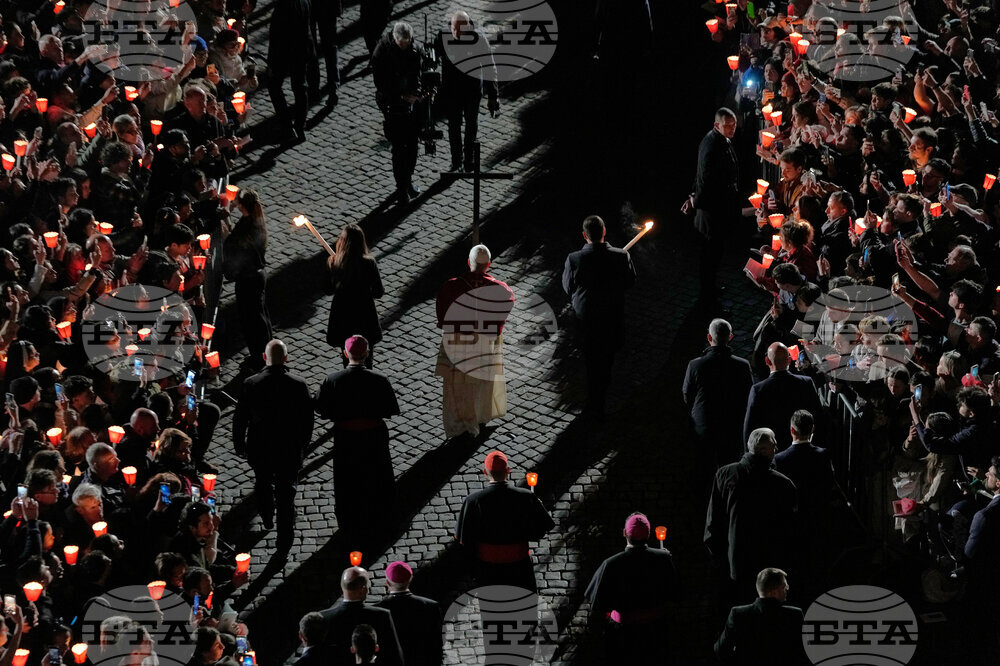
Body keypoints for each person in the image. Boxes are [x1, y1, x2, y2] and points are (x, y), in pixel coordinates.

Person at [314, 335, 400, 544]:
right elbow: (390, 409)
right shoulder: (379, 379)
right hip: (373, 436)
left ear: (345, 354)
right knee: (376, 475)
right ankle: (379, 516)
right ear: (367, 354)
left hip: (346, 438)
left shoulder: (332, 380)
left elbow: (321, 410)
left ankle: (350, 520)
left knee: (348, 479)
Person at [232, 340, 314, 550]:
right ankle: (284, 538)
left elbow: (240, 417)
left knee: (263, 483)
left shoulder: (251, 383)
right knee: (287, 494)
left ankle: (267, 517)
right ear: (286, 358)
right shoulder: (298, 384)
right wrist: (303, 445)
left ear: (264, 357)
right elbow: (307, 420)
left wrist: (239, 443)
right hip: (289, 448)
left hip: (261, 447)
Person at [705, 428, 798, 600]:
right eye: (773, 445)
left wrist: (721, 559)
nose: (776, 449)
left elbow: (713, 524)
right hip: (770, 568)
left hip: (734, 566)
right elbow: (790, 531)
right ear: (763, 450)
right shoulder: (783, 485)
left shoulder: (725, 475)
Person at [434, 244, 514, 440]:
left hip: (457, 345)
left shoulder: (451, 286)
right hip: (483, 346)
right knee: (480, 386)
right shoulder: (500, 289)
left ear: (468, 262)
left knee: (456, 388)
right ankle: (478, 417)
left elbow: (443, 317)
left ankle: (459, 424)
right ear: (489, 265)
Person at [562, 215, 637, 417]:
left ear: (584, 236)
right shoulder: (621, 256)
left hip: (586, 321)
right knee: (606, 360)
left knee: (591, 361)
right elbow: (629, 282)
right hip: (611, 318)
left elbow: (567, 287)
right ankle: (600, 398)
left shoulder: (574, 259)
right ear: (604, 232)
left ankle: (594, 400)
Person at [454, 450, 554, 593]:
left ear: (485, 472)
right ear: (508, 471)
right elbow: (540, 530)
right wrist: (536, 505)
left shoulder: (472, 501)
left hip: (488, 569)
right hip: (519, 566)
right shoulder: (526, 496)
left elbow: (466, 540)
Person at [585, 512, 679, 663]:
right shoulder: (663, 558)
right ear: (649, 533)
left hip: (622, 635)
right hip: (655, 633)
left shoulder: (610, 564)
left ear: (624, 533)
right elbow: (675, 594)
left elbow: (598, 604)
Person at [683, 318, 755, 496]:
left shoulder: (695, 365)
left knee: (702, 461)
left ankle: (700, 495)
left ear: (709, 337)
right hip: (731, 424)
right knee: (729, 462)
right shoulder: (742, 365)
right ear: (730, 337)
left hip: (704, 424)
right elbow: (748, 396)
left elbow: (687, 394)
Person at [682, 108, 740, 300]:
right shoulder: (712, 145)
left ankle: (709, 286)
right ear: (717, 125)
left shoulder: (717, 139)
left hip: (715, 208)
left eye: (734, 124)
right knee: (710, 253)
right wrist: (694, 200)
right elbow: (704, 178)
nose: (732, 128)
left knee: (713, 252)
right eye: (728, 125)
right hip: (712, 212)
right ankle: (707, 291)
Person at [434, 11, 499, 173]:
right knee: (454, 127)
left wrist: (493, 97)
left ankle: (468, 159)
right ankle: (456, 160)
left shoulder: (479, 40)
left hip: (471, 91)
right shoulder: (443, 37)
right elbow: (433, 57)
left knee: (471, 125)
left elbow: (490, 68)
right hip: (451, 91)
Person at [713, 568, 808, 665]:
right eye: (784, 587)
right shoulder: (794, 616)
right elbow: (804, 654)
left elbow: (721, 651)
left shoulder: (738, 614)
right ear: (773, 592)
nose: (787, 590)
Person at [372, 22, 423, 202]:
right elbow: (381, 84)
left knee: (413, 146)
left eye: (408, 43)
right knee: (400, 148)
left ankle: (407, 180)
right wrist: (401, 96)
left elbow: (418, 73)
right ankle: (401, 188)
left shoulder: (414, 49)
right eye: (403, 44)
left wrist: (418, 91)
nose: (406, 46)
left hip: (411, 104)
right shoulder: (382, 53)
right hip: (392, 104)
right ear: (395, 39)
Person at [223, 189, 273, 368]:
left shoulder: (247, 226)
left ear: (242, 206)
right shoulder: (254, 221)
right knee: (260, 316)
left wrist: (227, 237)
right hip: (257, 276)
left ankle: (258, 357)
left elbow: (236, 248)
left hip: (248, 279)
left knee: (251, 320)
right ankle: (264, 353)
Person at [744, 342, 823, 451]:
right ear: (789, 360)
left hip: (771, 449)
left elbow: (750, 427)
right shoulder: (806, 383)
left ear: (767, 361)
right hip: (801, 448)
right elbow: (818, 416)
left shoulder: (758, 390)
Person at [326, 225, 384, 368]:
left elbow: (327, 289)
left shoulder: (335, 263)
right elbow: (379, 292)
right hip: (365, 316)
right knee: (367, 360)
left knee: (348, 359)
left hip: (344, 318)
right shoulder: (369, 263)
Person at [319, 567, 404, 666]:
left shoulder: (324, 617)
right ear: (363, 589)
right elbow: (395, 658)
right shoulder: (381, 616)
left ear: (342, 587)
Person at [376, 561, 443, 666]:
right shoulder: (431, 606)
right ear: (411, 579)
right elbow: (436, 645)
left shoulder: (377, 610)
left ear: (387, 583)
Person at [267, 0, 315, 141]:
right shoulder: (304, 2)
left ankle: (287, 126)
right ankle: (300, 126)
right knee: (300, 88)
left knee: (274, 87)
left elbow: (276, 36)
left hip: (284, 53)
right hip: (302, 50)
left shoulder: (283, 6)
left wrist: (271, 62)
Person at [309, 0, 343, 102]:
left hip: (311, 5)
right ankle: (332, 88)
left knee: (311, 47)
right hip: (328, 6)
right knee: (330, 48)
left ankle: (313, 87)